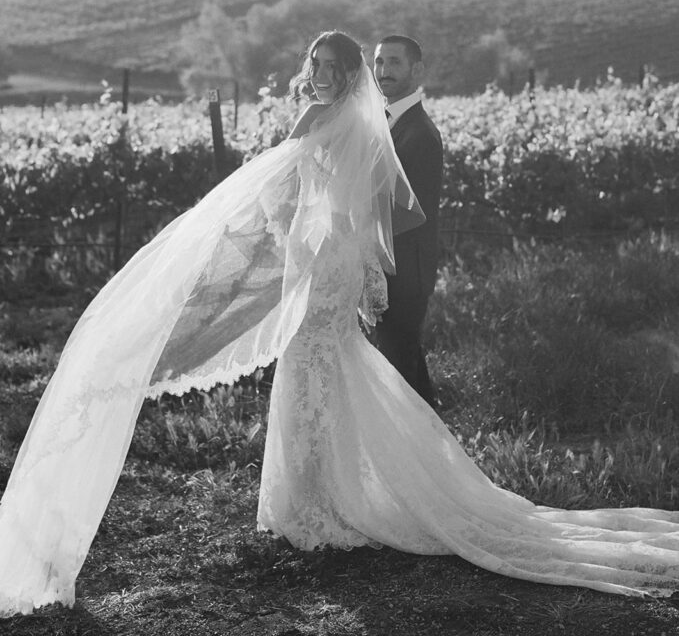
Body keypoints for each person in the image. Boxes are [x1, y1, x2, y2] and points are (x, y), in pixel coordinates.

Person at [1, 30, 679, 616]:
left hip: (324, 268)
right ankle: (327, 492)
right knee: (326, 369)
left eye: (331, 66)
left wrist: (330, 248)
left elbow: (322, 203)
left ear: (346, 74)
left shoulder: (323, 124)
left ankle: (317, 503)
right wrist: (346, 250)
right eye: (314, 64)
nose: (320, 74)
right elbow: (367, 208)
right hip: (325, 263)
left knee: (314, 367)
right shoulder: (351, 123)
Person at [372, 35, 443, 407]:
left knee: (399, 370)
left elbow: (410, 216)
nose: (384, 71)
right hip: (391, 267)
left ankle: (422, 450)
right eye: (379, 62)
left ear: (416, 70)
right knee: (406, 365)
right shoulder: (385, 123)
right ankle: (433, 449)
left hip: (404, 272)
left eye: (394, 63)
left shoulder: (420, 134)